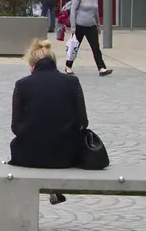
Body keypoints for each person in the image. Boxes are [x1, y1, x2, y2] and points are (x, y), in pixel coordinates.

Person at [10, 39, 93, 204]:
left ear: (32, 65)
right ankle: (53, 188)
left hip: (29, 154)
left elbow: (15, 127)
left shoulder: (22, 85)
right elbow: (83, 121)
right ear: (54, 62)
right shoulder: (72, 82)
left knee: (32, 145)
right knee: (61, 144)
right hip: (65, 154)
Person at [64, 0, 112, 76]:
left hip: (91, 26)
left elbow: (96, 12)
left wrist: (98, 25)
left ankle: (101, 68)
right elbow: (73, 10)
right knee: (74, 47)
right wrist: (73, 26)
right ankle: (68, 66)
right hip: (79, 25)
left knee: (96, 47)